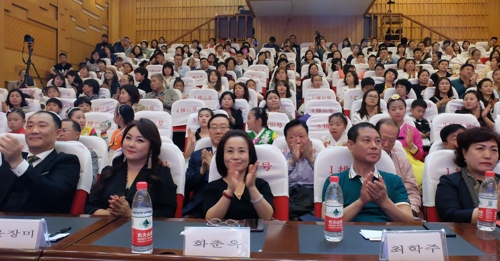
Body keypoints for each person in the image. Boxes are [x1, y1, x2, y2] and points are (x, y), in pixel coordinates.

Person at [321, 122, 413, 222]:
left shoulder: (394, 180)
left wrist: (384, 202)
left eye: (377, 141)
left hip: (385, 234)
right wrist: (361, 202)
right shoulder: (335, 182)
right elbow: (328, 220)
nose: (374, 146)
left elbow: (409, 221)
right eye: (367, 140)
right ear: (351, 145)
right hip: (347, 235)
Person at [85, 119, 177, 218]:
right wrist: (113, 214)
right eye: (128, 138)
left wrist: (131, 215)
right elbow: (90, 207)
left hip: (145, 231)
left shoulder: (162, 174)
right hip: (108, 229)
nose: (131, 144)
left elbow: (167, 213)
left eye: (139, 140)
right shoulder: (109, 172)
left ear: (151, 147)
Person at [0, 111, 80, 213]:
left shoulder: (67, 161)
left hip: (42, 223)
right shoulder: (9, 157)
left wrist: (18, 163)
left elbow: (53, 194)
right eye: (29, 126)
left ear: (58, 133)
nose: (34, 131)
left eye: (42, 126)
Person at [203, 130, 274, 220]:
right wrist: (229, 191)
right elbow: (210, 220)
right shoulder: (212, 187)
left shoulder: (261, 184)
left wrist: (252, 187)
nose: (236, 156)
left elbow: (267, 217)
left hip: (255, 233)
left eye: (241, 151)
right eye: (230, 151)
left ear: (250, 156)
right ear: (222, 156)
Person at [435, 127, 500, 223]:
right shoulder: (450, 182)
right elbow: (449, 216)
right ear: (464, 152)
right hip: (467, 236)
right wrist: (492, 207)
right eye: (480, 148)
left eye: (494, 150)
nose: (487, 155)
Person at [184, 114, 232, 217]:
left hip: (229, 205)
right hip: (198, 208)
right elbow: (187, 185)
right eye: (214, 128)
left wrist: (214, 171)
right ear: (208, 132)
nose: (218, 131)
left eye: (223, 127)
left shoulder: (236, 157)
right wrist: (201, 171)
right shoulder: (197, 155)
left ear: (230, 131)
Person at [375, 119, 422, 218]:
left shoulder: (403, 163)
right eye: (383, 139)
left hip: (398, 213)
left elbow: (412, 191)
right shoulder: (361, 160)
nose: (386, 144)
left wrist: (410, 212)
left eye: (391, 141)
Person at [387, 94, 425, 186]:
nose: (397, 112)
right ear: (388, 111)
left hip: (409, 162)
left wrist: (410, 145)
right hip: (388, 159)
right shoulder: (383, 129)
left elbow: (420, 156)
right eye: (393, 109)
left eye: (401, 108)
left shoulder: (413, 130)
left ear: (405, 110)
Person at [284, 119, 316, 219]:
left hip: (311, 200)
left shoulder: (319, 159)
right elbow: (278, 181)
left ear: (308, 138)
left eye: (302, 137)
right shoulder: (281, 159)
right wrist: (292, 161)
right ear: (286, 140)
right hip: (288, 198)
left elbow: (325, 180)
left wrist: (311, 160)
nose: (298, 141)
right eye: (292, 137)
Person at [58, 119, 99, 184]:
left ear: (77, 135)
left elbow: (92, 181)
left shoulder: (88, 154)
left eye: (64, 130)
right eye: (58, 131)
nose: (60, 134)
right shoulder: (51, 151)